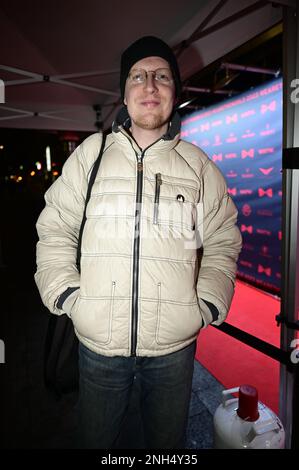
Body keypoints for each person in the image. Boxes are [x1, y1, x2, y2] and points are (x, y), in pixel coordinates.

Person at [35, 35, 242, 449]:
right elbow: (55, 226)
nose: (149, 85)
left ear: (174, 92)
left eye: (161, 76)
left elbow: (223, 239)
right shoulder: (90, 155)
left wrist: (208, 303)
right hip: (98, 350)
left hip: (174, 353)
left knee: (166, 448)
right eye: (138, 76)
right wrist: (67, 295)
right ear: (124, 95)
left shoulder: (199, 165)